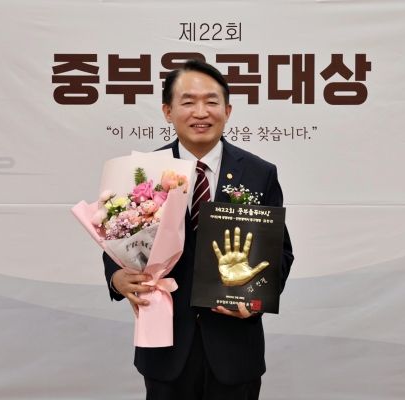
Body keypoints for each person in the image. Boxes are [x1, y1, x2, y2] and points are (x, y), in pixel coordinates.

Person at [103, 59, 294, 400]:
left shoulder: (259, 172)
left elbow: (279, 252)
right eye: (188, 102)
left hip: (234, 346)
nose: (201, 112)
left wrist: (255, 298)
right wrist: (117, 279)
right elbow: (119, 236)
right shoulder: (143, 172)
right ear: (168, 111)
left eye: (211, 102)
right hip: (166, 346)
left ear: (227, 111)